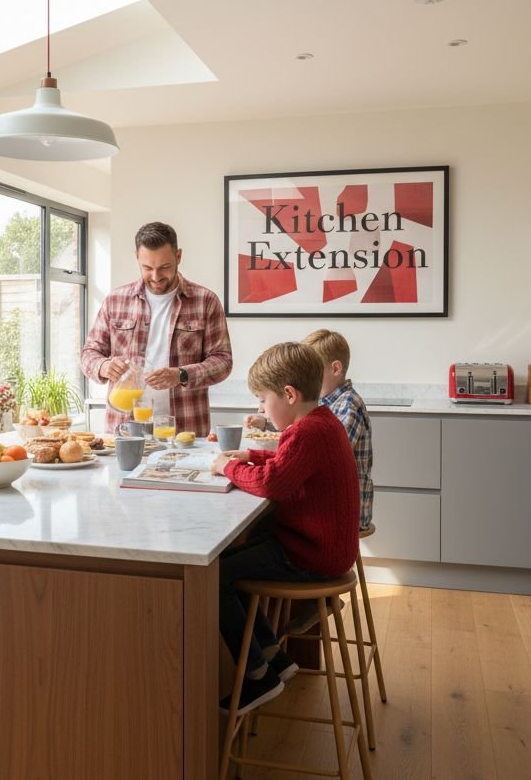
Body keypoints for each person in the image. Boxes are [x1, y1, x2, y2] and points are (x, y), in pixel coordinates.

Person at [209, 342, 360, 714]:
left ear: (289, 395)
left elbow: (274, 483)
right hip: (322, 547)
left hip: (312, 554)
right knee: (231, 559)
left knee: (217, 576)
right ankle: (273, 656)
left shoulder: (306, 432)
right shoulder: (321, 421)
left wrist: (227, 467)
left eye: (262, 400)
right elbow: (288, 461)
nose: (261, 409)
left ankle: (258, 676)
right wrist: (251, 455)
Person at [80, 221, 232, 435]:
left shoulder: (205, 301)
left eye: (164, 267)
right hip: (125, 430)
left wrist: (181, 375)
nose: (156, 276)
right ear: (137, 258)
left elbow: (223, 361)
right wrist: (104, 366)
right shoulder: (116, 300)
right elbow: (89, 354)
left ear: (178, 256)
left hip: (184, 432)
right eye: (147, 268)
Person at [248, 329, 373, 529]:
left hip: (347, 511)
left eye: (312, 370)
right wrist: (259, 439)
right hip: (331, 504)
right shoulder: (323, 406)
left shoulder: (347, 404)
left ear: (335, 368)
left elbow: (316, 454)